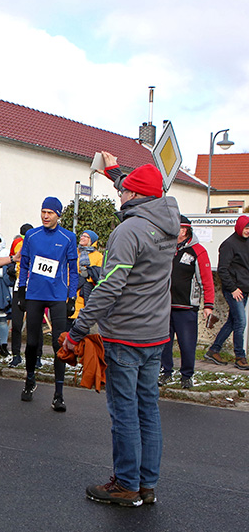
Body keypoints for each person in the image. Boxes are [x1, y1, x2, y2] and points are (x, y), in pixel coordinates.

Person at [62, 162, 180, 507]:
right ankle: (147, 485)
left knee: (125, 411)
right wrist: (113, 169)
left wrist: (77, 330)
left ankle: (126, 484)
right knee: (149, 410)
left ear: (134, 195)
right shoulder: (168, 224)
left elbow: (110, 287)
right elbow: (143, 187)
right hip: (156, 332)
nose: (120, 193)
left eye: (124, 190)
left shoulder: (128, 232)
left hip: (127, 332)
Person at [17, 197, 77, 412]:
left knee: (59, 344)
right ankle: (30, 379)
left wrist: (71, 297)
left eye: (50, 212)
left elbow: (73, 269)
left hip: (57, 295)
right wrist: (21, 290)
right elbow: (24, 264)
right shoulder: (31, 235)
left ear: (58, 215)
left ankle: (59, 394)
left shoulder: (68, 237)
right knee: (32, 342)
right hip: (34, 294)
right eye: (43, 211)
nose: (45, 216)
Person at [161, 215, 214, 388]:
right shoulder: (167, 249)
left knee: (187, 343)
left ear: (184, 230)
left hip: (187, 306)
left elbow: (206, 280)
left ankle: (186, 375)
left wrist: (208, 305)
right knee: (164, 343)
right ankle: (165, 372)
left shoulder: (198, 251)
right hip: (165, 305)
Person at [205, 214, 249, 369]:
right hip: (234, 290)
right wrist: (233, 288)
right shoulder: (229, 244)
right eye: (245, 228)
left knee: (233, 321)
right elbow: (223, 270)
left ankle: (214, 349)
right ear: (239, 227)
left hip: (244, 289)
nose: (247, 231)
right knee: (241, 322)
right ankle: (239, 357)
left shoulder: (247, 242)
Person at [7, 223, 32, 367]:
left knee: (33, 325)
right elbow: (12, 258)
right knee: (16, 323)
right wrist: (11, 268)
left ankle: (37, 356)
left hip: (34, 287)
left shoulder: (38, 243)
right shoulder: (17, 243)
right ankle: (16, 355)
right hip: (19, 286)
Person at [73, 230, 104, 318]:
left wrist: (87, 275)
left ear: (92, 240)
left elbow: (99, 275)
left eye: (86, 236)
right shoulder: (74, 252)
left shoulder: (98, 256)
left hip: (86, 292)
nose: (82, 237)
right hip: (72, 289)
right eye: (82, 235)